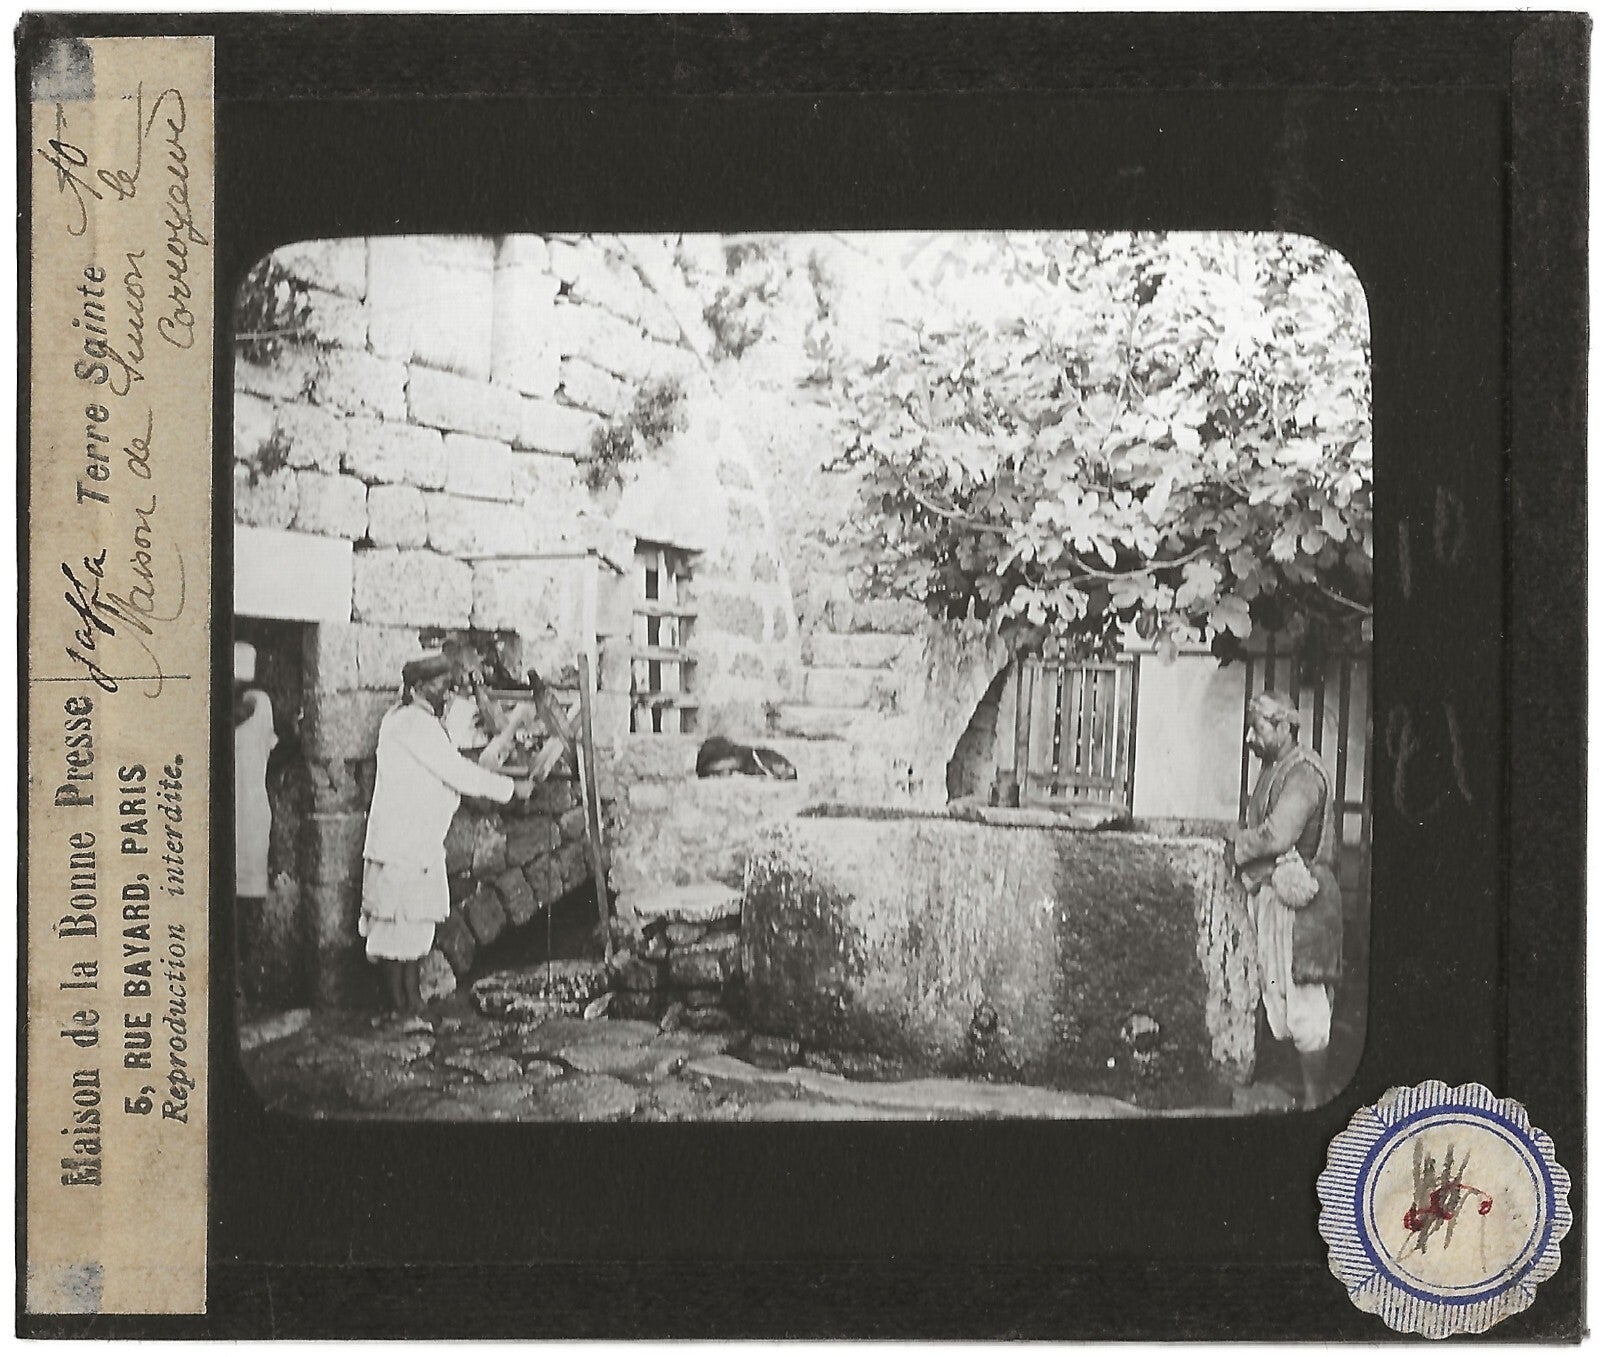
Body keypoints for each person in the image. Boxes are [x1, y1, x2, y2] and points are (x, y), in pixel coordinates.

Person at [360, 653, 534, 1031]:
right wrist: (511, 788)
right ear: (420, 688)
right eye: (442, 686)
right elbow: (457, 772)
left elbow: (452, 750)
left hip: (414, 844)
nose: (448, 693)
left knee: (414, 928)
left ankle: (409, 1006)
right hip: (402, 846)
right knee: (397, 931)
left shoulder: (414, 721)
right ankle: (400, 1010)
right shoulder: (411, 725)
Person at [1231, 689, 1343, 1108]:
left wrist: (1235, 847)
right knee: (1283, 1000)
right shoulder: (1274, 768)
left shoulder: (1303, 774)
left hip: (1306, 904)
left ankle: (1316, 1101)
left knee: (1306, 1002)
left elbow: (1277, 834)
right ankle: (1303, 1093)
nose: (1249, 737)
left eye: (1257, 728)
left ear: (1283, 727)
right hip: (1280, 900)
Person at [234, 641, 277, 1001]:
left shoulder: (257, 703)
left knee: (245, 903)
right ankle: (244, 983)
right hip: (246, 815)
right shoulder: (259, 705)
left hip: (248, 816)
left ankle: (244, 984)